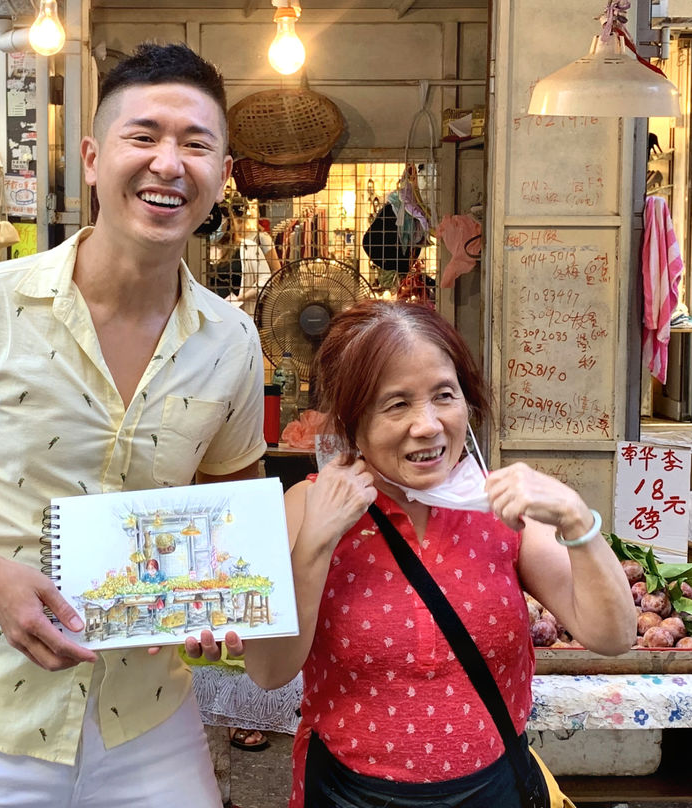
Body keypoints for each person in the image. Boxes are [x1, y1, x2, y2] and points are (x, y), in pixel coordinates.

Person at [0, 44, 264, 807]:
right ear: (92, 158)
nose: (169, 164)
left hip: (146, 718)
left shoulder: (231, 342)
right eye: (143, 136)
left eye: (196, 144)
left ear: (222, 173)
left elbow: (225, 516)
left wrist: (218, 600)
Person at [189, 300, 636, 807]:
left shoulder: (502, 506)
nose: (427, 425)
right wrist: (317, 541)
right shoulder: (306, 506)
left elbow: (614, 636)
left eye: (444, 395)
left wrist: (578, 520)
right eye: (396, 404)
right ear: (351, 422)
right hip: (349, 792)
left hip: (491, 790)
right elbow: (270, 672)